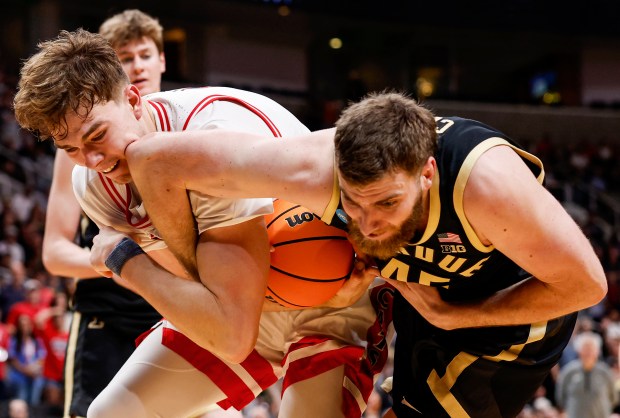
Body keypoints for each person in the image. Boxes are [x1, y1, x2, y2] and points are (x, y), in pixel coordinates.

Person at [122, 91, 607, 417]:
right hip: (426, 302)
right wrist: (196, 275)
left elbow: (586, 285)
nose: (369, 222)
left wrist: (463, 317)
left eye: (387, 203)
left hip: (511, 319)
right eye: (353, 202)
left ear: (427, 174)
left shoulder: (486, 186)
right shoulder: (309, 166)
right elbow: (152, 159)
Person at [13, 29, 392, 418]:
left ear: (132, 99)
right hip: (241, 297)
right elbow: (197, 287)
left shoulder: (213, 133)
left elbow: (230, 333)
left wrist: (124, 259)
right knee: (111, 413)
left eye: (96, 136)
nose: (92, 160)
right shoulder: (93, 183)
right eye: (71, 148)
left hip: (332, 297)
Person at [41, 10, 166, 418]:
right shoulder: (79, 151)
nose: (137, 66)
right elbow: (55, 253)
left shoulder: (184, 128)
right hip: (107, 316)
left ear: (162, 60)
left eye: (145, 55)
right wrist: (125, 261)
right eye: (125, 58)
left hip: (174, 311)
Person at [555, 331, 618, 418]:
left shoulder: (605, 372)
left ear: (597, 351)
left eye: (592, 348)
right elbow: (561, 399)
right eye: (585, 348)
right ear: (578, 350)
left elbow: (613, 398)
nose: (589, 352)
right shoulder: (568, 372)